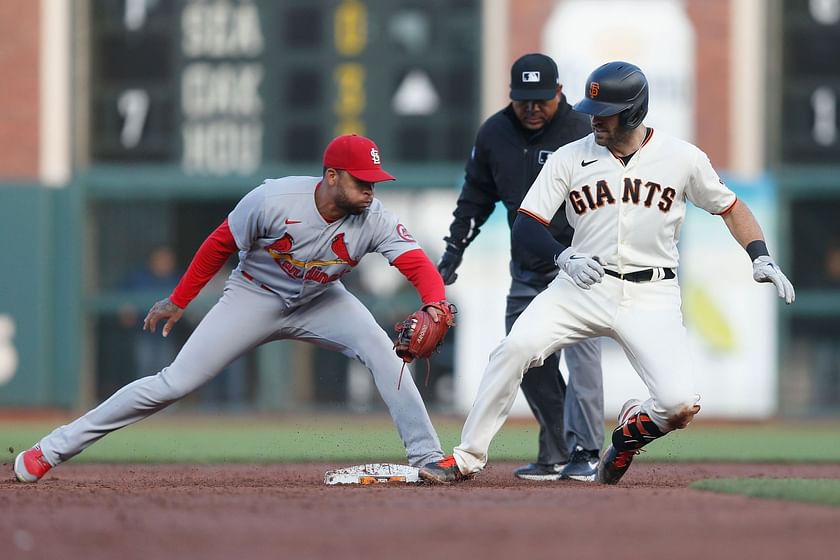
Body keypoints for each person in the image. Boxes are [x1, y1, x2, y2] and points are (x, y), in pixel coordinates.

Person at [418, 61, 795, 486]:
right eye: (591, 107)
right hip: (581, 285)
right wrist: (563, 257)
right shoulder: (570, 156)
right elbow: (527, 222)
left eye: (604, 110)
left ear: (634, 112)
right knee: (513, 349)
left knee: (679, 406)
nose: (593, 118)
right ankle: (466, 458)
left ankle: (630, 431)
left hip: (652, 294)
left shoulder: (681, 158)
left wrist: (759, 255)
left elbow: (730, 207)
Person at [14, 133, 448, 483]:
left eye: (374, 182)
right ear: (331, 176)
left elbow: (417, 264)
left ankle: (427, 456)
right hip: (254, 295)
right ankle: (49, 450)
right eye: (362, 181)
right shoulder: (274, 200)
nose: (370, 191)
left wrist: (434, 305)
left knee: (383, 352)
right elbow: (219, 243)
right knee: (173, 383)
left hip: (322, 300)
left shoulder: (375, 218)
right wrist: (179, 299)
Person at [438, 53, 604, 481]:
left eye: (541, 99)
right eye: (523, 100)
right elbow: (474, 198)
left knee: (583, 360)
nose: (531, 108)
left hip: (580, 264)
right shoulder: (495, 133)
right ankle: (556, 451)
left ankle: (586, 451)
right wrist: (453, 254)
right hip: (529, 267)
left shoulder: (583, 131)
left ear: (559, 93)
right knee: (524, 358)